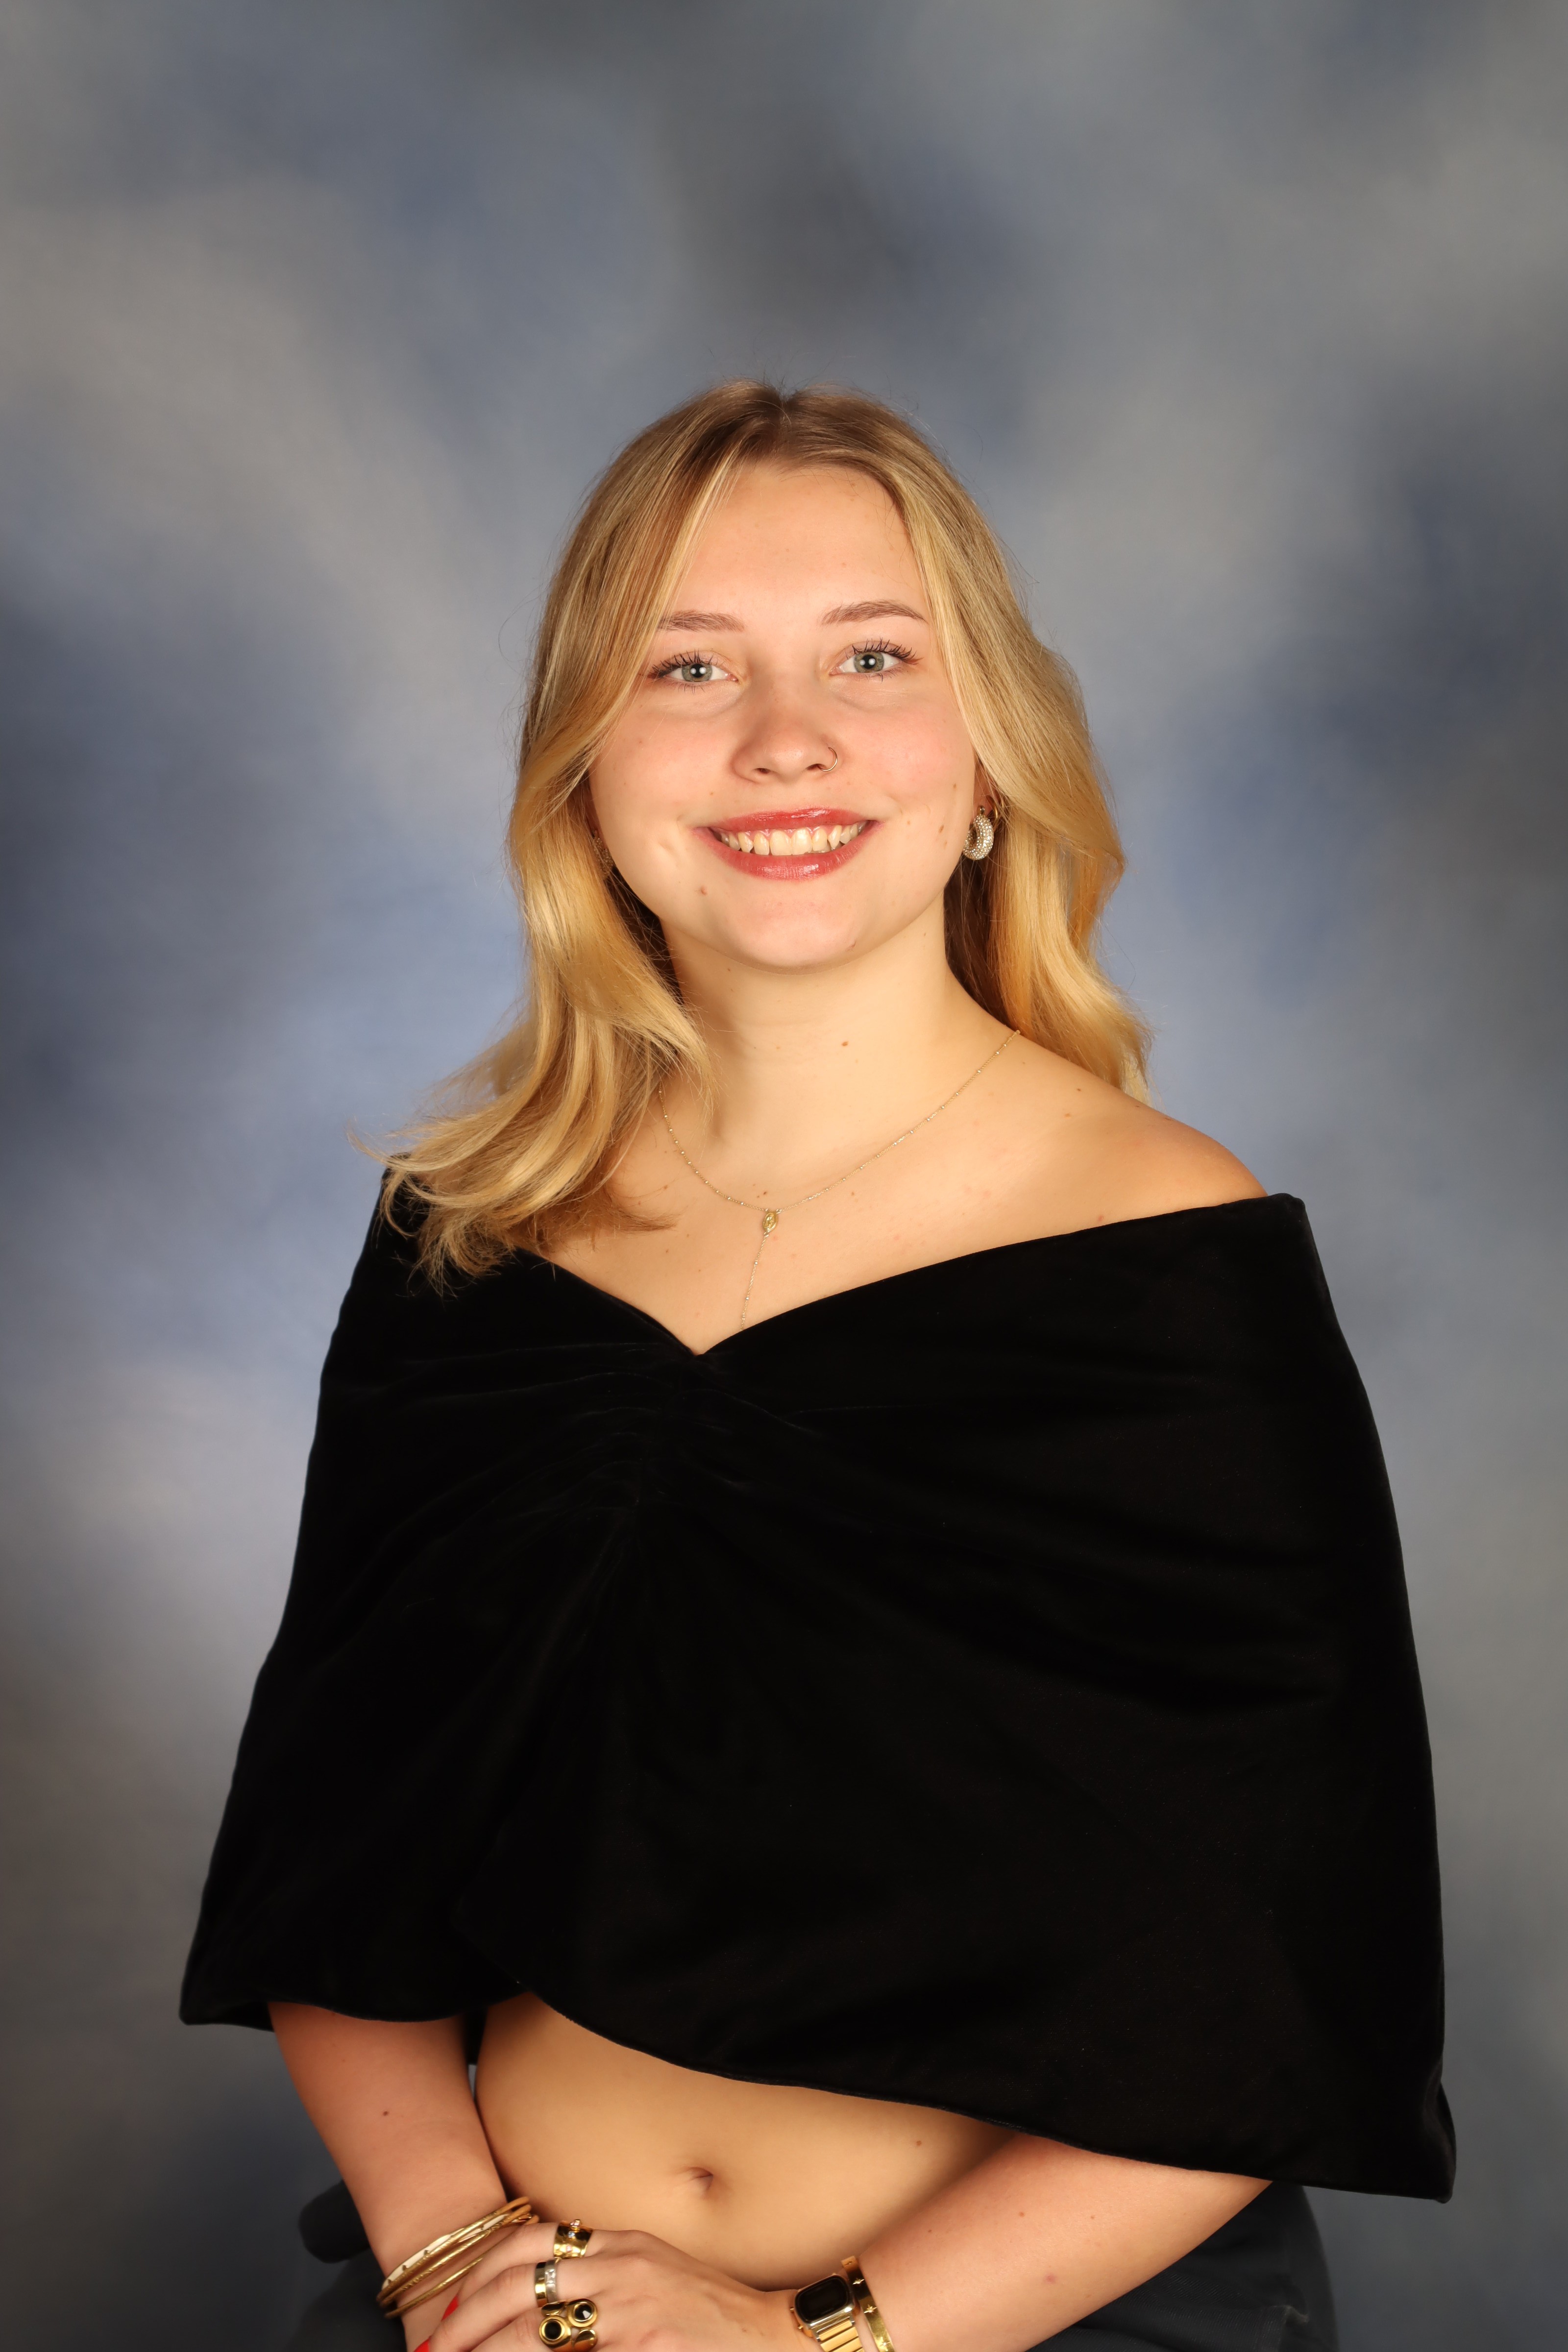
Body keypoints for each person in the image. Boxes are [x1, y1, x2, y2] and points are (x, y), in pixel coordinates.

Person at [181, 382, 1452, 2352]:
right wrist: (449, 2266)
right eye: (687, 666)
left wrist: (810, 2340)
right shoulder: (471, 1237)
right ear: (585, 769)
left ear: (986, 760)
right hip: (498, 2306)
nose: (785, 738)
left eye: (872, 657)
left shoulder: (1164, 1256)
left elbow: (1285, 1992)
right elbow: (334, 1864)